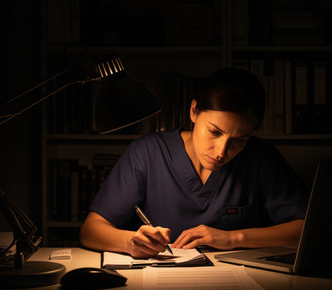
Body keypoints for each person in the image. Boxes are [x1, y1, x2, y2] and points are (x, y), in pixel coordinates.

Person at [80, 67, 308, 258]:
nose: (221, 152)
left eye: (239, 141)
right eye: (214, 132)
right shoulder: (149, 152)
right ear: (194, 111)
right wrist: (130, 241)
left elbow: (305, 230)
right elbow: (91, 230)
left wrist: (232, 238)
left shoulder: (261, 157)